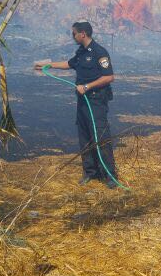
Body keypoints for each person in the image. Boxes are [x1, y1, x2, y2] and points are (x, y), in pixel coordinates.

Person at [35, 21, 119, 187]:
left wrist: (87, 86)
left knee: (100, 137)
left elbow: (109, 77)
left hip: (96, 101)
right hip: (82, 101)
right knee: (85, 136)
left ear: (83, 34)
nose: (72, 36)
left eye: (74, 33)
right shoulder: (81, 52)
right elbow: (69, 64)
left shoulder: (99, 52)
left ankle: (109, 176)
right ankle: (90, 172)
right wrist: (49, 65)